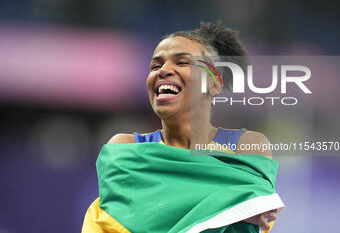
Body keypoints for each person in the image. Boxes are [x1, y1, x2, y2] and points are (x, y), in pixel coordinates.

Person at [82, 22, 284, 233]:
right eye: (155, 66)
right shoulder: (125, 148)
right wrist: (229, 203)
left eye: (182, 62)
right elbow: (125, 220)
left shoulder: (247, 146)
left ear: (214, 83)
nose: (164, 70)